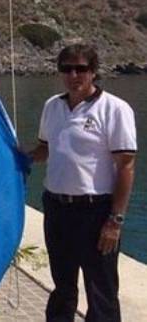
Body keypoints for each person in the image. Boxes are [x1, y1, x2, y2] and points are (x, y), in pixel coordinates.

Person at [29, 44, 137, 322]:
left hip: (96, 212)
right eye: (66, 68)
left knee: (101, 291)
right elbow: (45, 149)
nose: (73, 74)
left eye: (81, 69)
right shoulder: (52, 106)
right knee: (63, 285)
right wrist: (14, 158)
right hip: (57, 208)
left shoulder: (114, 109)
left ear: (94, 72)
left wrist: (115, 221)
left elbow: (125, 165)